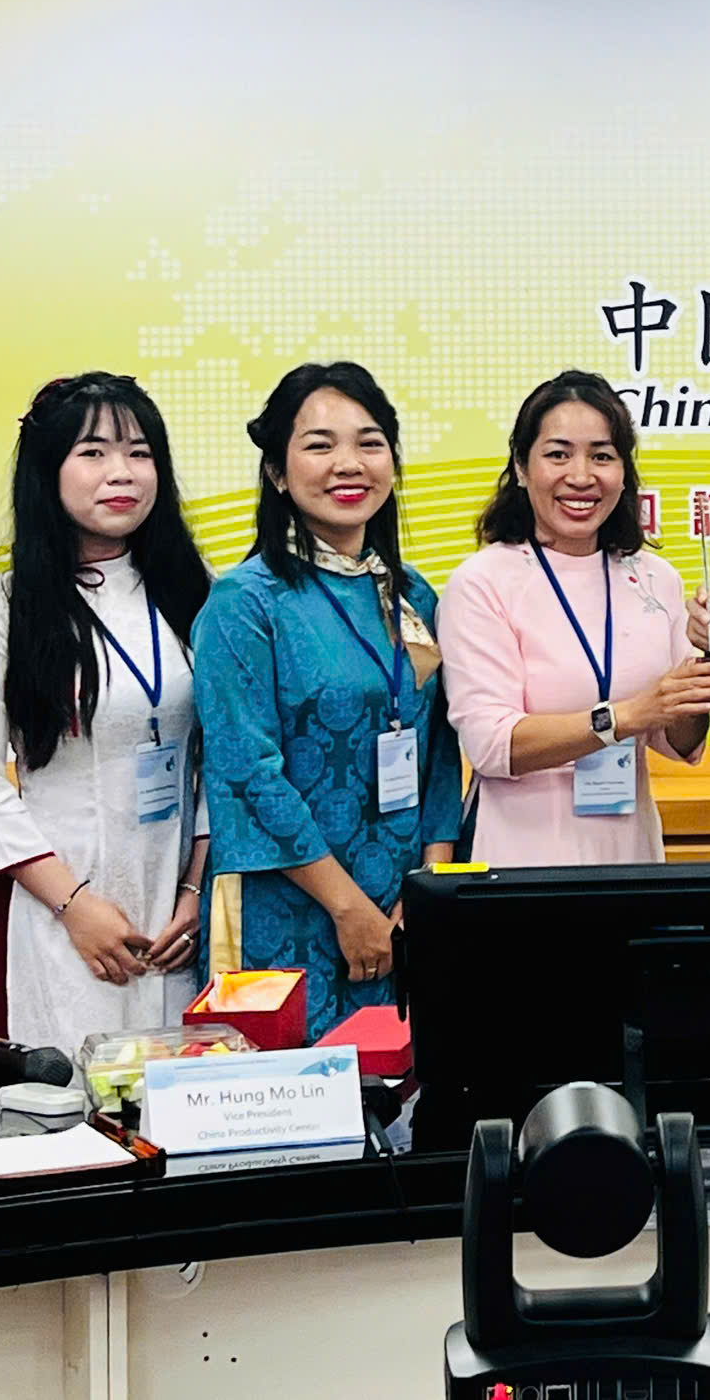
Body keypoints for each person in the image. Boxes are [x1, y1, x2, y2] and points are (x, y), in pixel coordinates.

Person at [0, 374, 214, 1055]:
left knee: (179, 1093)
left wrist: (194, 892)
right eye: (93, 452)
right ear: (47, 471)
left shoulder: (195, 593)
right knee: (71, 1093)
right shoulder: (1, 607)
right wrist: (74, 906)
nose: (122, 473)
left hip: (179, 915)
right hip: (61, 908)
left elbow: (221, 757)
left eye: (139, 452)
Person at [195, 362, 460, 1041]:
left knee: (399, 1087)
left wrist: (426, 890)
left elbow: (439, 747)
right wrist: (347, 908)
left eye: (370, 443)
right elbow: (246, 772)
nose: (349, 463)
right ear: (278, 473)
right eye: (319, 445)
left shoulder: (413, 595)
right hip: (284, 907)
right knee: (286, 1093)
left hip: (399, 906)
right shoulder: (244, 602)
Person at [437, 371, 710, 865]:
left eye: (602, 456)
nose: (581, 476)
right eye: (558, 454)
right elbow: (492, 744)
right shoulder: (483, 581)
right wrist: (626, 716)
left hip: (629, 855)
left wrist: (707, 664)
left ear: (624, 471)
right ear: (521, 467)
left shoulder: (654, 577)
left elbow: (679, 742)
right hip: (518, 860)